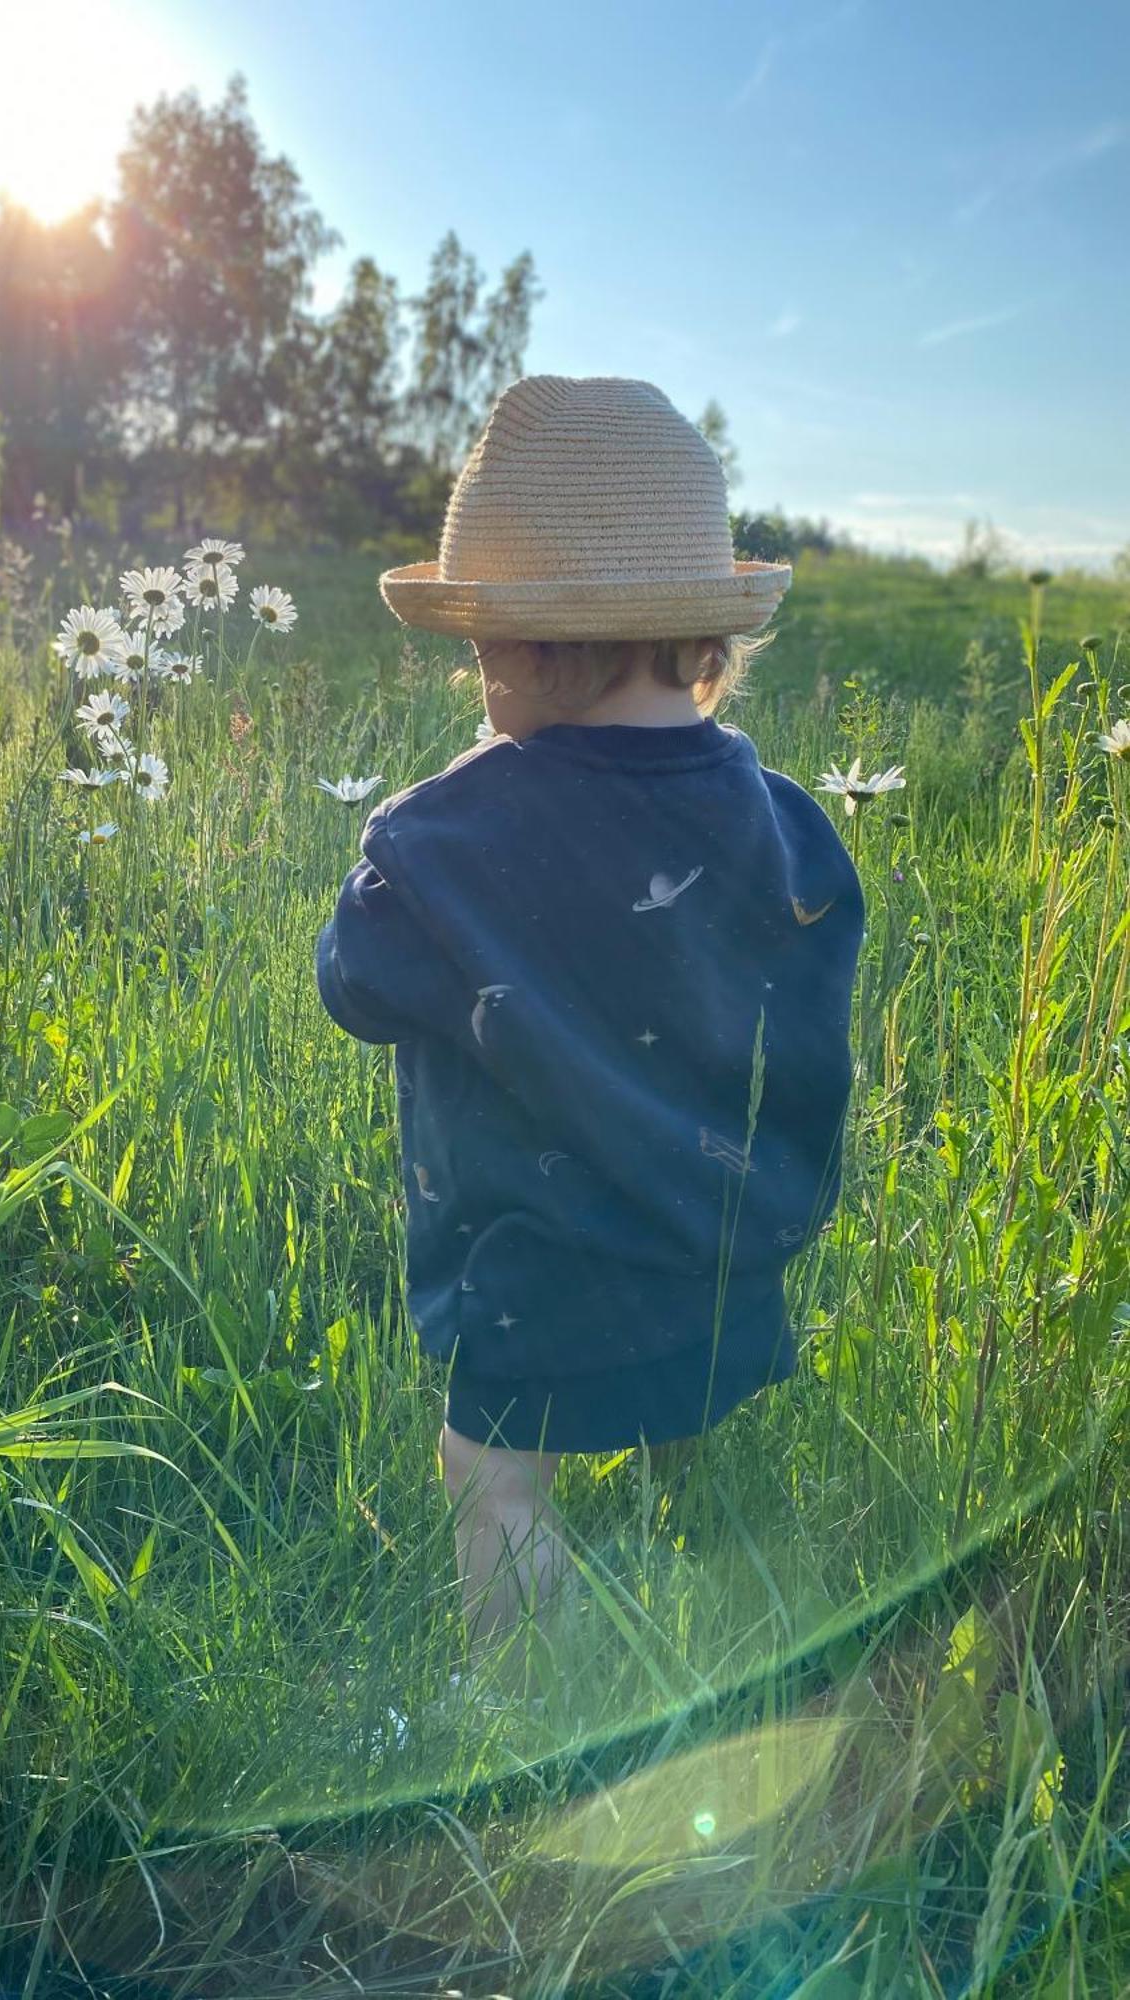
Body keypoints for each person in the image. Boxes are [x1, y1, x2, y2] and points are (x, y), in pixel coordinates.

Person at [314, 375, 866, 1696]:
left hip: (533, 1274)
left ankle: (514, 1706)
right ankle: (710, 1628)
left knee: (497, 1483)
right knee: (693, 1444)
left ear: (522, 650)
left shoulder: (446, 838)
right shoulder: (788, 820)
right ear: (699, 642)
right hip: (727, 1251)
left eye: (478, 647)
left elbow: (356, 987)